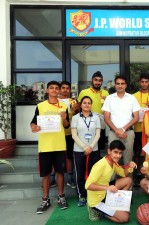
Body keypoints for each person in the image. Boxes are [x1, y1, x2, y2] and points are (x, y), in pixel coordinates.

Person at [30, 81, 69, 214]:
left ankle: (61, 196)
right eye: (51, 88)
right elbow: (33, 122)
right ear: (47, 90)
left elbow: (66, 125)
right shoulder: (40, 106)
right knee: (46, 173)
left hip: (59, 144)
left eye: (56, 88)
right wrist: (33, 127)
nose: (54, 90)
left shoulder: (63, 106)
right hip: (45, 145)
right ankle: (45, 199)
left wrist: (64, 118)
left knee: (60, 172)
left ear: (59, 91)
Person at [85, 140, 137, 222]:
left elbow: (124, 173)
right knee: (125, 218)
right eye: (115, 152)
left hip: (106, 192)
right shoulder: (100, 165)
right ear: (109, 151)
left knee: (128, 180)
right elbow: (87, 185)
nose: (118, 156)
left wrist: (131, 167)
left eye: (120, 153)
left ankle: (118, 204)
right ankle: (96, 210)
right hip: (97, 201)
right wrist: (107, 187)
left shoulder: (113, 162)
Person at [102, 75, 140, 166]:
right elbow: (106, 117)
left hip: (128, 133)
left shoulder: (132, 98)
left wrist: (123, 129)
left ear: (126, 85)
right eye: (118, 83)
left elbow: (136, 117)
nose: (120, 86)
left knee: (128, 160)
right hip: (113, 133)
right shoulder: (109, 98)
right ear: (115, 85)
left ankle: (128, 180)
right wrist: (117, 131)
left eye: (122, 84)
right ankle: (113, 180)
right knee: (112, 160)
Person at [71, 96, 101, 207]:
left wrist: (91, 146)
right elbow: (74, 135)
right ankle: (82, 196)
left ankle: (92, 195)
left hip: (94, 149)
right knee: (80, 173)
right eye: (84, 103)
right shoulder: (75, 118)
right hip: (79, 150)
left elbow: (98, 134)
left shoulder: (96, 117)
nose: (87, 105)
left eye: (89, 103)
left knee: (93, 173)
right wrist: (84, 147)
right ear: (81, 104)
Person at [77, 71, 109, 157]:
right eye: (96, 80)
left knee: (99, 148)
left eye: (100, 80)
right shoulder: (84, 92)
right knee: (87, 144)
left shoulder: (106, 93)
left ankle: (97, 166)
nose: (98, 82)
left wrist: (107, 101)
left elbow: (109, 109)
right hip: (87, 123)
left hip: (101, 123)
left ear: (102, 82)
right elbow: (79, 107)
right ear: (92, 80)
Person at [132, 72, 149, 182]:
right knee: (137, 152)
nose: (144, 84)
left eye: (146, 82)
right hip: (138, 129)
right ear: (139, 82)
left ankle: (148, 173)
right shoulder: (134, 96)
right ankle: (137, 173)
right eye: (142, 82)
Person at [59, 81, 78, 188]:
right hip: (56, 133)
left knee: (69, 156)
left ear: (70, 90)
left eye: (67, 88)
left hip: (69, 132)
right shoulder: (54, 101)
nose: (65, 90)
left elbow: (77, 115)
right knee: (55, 156)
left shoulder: (73, 101)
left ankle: (70, 178)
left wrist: (76, 110)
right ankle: (52, 178)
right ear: (60, 89)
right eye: (63, 88)